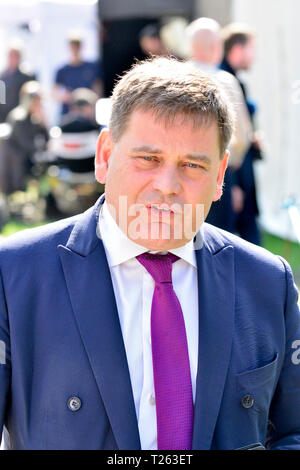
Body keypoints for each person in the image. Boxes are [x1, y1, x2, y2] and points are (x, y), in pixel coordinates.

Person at [0, 57, 299, 450]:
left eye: (192, 164)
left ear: (220, 176)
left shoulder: (266, 282)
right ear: (105, 155)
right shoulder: (14, 275)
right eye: (148, 159)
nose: (167, 184)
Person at [186, 17, 253, 233]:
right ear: (216, 47)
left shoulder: (173, 77)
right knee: (217, 239)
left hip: (178, 171)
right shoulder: (224, 81)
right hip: (216, 173)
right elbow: (242, 137)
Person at [220, 23, 263, 245]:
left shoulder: (234, 78)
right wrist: (232, 184)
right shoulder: (223, 80)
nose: (254, 55)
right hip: (233, 177)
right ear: (237, 49)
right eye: (251, 48)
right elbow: (226, 139)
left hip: (240, 176)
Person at [0, 80, 48, 196]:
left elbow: (46, 138)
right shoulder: (18, 118)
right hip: (17, 166)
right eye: (36, 102)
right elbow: (27, 145)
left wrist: (43, 122)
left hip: (26, 162)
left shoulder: (33, 117)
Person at [53, 33, 103, 118]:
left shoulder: (92, 67)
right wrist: (67, 97)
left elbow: (98, 88)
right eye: (73, 46)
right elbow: (54, 92)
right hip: (69, 113)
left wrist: (91, 102)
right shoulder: (62, 70)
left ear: (81, 47)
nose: (75, 49)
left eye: (77, 46)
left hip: (88, 113)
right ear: (69, 47)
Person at [0, 42, 35, 123]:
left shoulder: (27, 76)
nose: (12, 58)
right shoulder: (2, 76)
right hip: (3, 117)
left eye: (15, 55)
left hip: (20, 119)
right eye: (10, 55)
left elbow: (31, 99)